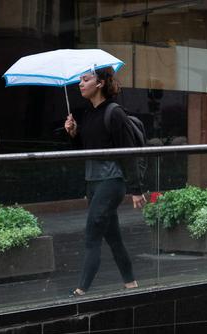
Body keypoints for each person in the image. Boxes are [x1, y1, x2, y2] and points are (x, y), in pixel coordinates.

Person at [64, 67, 147, 296]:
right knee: (113, 237)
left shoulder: (114, 112)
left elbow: (127, 152)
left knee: (92, 233)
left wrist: (136, 190)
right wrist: (73, 134)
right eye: (80, 79)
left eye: (86, 79)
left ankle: (81, 291)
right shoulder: (87, 113)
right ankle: (131, 283)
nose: (80, 83)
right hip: (92, 181)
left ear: (100, 83)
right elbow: (86, 150)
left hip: (112, 181)